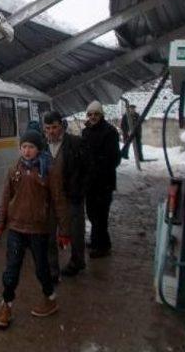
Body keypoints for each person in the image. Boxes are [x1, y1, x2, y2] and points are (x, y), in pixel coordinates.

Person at [0, 130, 71, 328]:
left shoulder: (48, 170)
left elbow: (59, 201)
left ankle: (50, 298)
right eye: (24, 147)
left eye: (31, 147)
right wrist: (0, 225)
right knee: (11, 269)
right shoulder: (14, 170)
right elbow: (5, 199)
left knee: (42, 269)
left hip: (39, 229)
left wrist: (64, 231)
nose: (27, 151)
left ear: (39, 149)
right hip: (16, 227)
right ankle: (6, 305)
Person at [43, 111, 87, 278]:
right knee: (49, 234)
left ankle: (77, 261)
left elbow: (87, 168)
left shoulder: (75, 143)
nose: (51, 131)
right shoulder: (41, 145)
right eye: (48, 128)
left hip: (71, 195)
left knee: (75, 232)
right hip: (50, 198)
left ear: (61, 125)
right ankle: (52, 269)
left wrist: (80, 190)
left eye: (54, 127)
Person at [82, 101, 121, 258]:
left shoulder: (110, 132)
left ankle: (103, 246)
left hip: (104, 182)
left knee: (101, 215)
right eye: (90, 114)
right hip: (90, 182)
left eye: (96, 114)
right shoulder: (86, 132)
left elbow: (114, 158)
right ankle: (95, 240)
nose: (93, 117)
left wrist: (99, 165)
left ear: (101, 115)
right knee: (91, 213)